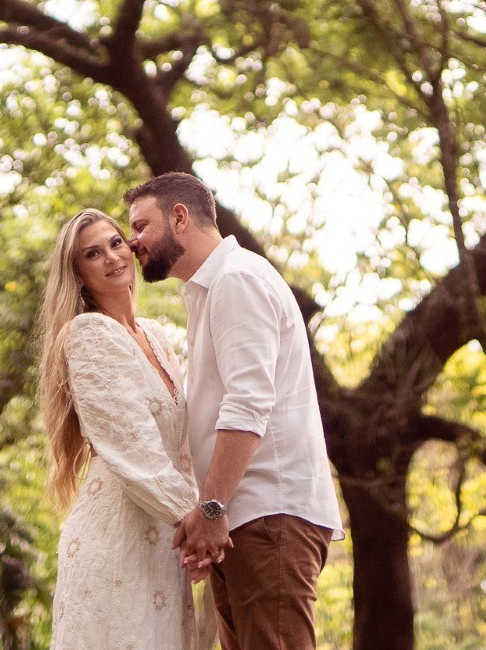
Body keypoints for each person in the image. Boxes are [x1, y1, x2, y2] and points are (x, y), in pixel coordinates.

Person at [123, 173, 341, 650]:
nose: (132, 241)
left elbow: (248, 403)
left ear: (180, 217)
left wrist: (212, 507)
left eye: (141, 226)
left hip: (268, 515)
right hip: (241, 521)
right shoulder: (209, 290)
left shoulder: (237, 279)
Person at [38, 208, 204, 650]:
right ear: (78, 274)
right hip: (117, 534)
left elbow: (181, 448)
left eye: (115, 243)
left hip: (164, 537)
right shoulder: (88, 333)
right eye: (93, 254)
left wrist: (199, 519)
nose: (112, 257)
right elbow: (133, 445)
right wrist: (198, 524)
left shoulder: (156, 335)